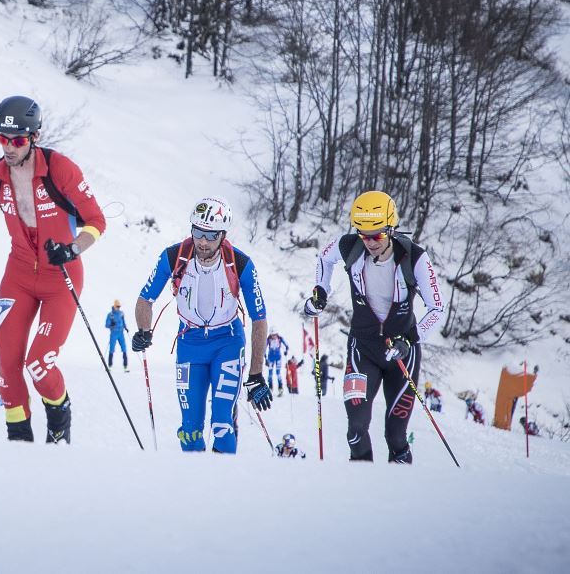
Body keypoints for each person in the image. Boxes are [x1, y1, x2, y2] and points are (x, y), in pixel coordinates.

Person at [0, 95, 106, 444]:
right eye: (1, 138)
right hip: (18, 277)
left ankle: (59, 418)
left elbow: (97, 221)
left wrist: (72, 249)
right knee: (8, 364)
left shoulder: (60, 169)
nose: (8, 147)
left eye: (16, 140)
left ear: (35, 137)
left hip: (60, 277)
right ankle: (19, 441)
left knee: (39, 363)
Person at [303, 191, 446, 463]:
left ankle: (397, 496)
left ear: (390, 230)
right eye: (363, 234)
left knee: (395, 437)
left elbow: (436, 308)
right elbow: (324, 258)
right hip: (363, 350)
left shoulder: (414, 257)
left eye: (377, 235)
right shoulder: (349, 246)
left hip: (402, 355)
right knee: (355, 432)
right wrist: (321, 291)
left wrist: (410, 339)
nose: (370, 242)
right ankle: (361, 492)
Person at [131, 196, 272, 454]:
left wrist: (255, 374)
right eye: (198, 233)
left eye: (211, 235)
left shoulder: (240, 264)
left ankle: (224, 483)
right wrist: (143, 330)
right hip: (189, 344)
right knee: (189, 430)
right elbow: (145, 298)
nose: (203, 241)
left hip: (227, 343)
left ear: (223, 235)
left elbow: (259, 319)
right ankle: (195, 485)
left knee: (221, 424)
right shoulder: (174, 256)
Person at [105, 300, 129, 371]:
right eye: (117, 306)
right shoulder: (110, 315)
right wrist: (111, 325)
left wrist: (126, 327)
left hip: (121, 333)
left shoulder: (121, 314)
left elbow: (123, 322)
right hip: (114, 333)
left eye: (119, 306)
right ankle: (109, 366)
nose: (118, 308)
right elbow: (106, 325)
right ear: (114, 306)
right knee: (112, 349)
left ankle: (125, 366)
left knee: (124, 348)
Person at [265, 329, 289, 394]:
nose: (273, 336)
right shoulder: (268, 339)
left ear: (277, 334)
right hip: (270, 358)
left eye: (274, 335)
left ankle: (280, 388)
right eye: (272, 335)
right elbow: (264, 348)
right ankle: (270, 387)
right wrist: (265, 359)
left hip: (278, 358)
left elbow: (287, 345)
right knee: (270, 374)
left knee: (278, 373)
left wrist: (286, 351)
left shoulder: (280, 339)